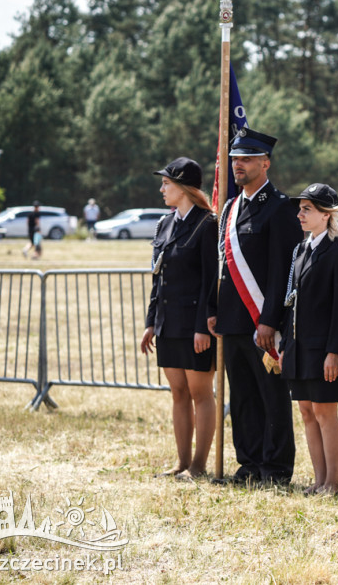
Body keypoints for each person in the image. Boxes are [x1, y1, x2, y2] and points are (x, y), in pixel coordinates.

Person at [207, 128, 302, 485]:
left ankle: (275, 468)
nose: (238, 165)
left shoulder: (280, 208)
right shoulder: (231, 208)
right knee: (243, 397)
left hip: (263, 322)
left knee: (271, 397)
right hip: (232, 321)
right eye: (235, 159)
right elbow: (223, 267)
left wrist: (270, 320)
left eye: (246, 159)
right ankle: (248, 464)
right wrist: (214, 309)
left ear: (266, 163)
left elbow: (283, 272)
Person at [140, 157, 218, 481]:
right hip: (168, 323)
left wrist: (203, 327)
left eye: (167, 183)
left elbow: (210, 280)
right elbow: (159, 278)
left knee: (201, 393)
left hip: (194, 326)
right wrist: (150, 322)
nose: (162, 189)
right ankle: (182, 462)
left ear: (184, 187)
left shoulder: (207, 223)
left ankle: (199, 465)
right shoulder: (164, 224)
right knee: (178, 394)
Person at [278, 183, 338, 495]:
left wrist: (334, 352)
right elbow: (291, 301)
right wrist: (285, 345)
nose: (300, 214)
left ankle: (333, 483)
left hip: (324, 348)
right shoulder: (301, 250)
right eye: (300, 208)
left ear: (326, 215)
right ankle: (319, 479)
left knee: (325, 412)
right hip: (299, 347)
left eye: (307, 209)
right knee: (308, 412)